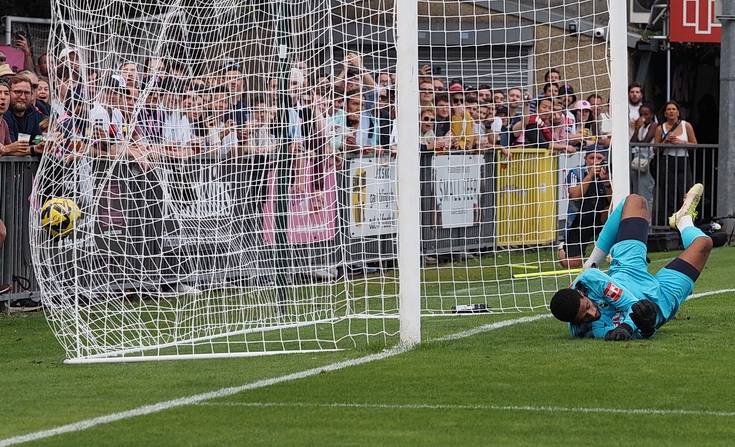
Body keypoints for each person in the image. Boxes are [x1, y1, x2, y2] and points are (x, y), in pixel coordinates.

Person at [550, 184, 712, 341]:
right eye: (584, 318)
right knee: (704, 243)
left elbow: (633, 304)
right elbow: (641, 322)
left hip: (629, 272)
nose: (591, 314)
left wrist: (627, 326)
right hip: (660, 299)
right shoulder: (584, 330)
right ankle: (684, 221)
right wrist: (646, 328)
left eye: (587, 307)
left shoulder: (589, 279)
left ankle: (590, 262)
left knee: (636, 201)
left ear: (581, 294)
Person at [558, 144, 611, 268]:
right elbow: (575, 195)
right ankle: (561, 249)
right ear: (585, 159)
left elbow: (614, 201)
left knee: (613, 210)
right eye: (591, 158)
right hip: (580, 221)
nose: (595, 162)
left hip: (602, 218)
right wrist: (590, 176)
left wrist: (607, 183)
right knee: (572, 264)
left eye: (599, 158)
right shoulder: (575, 172)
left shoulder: (610, 173)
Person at [654, 100, 697, 226]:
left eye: (673, 109)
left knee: (685, 194)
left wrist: (680, 142)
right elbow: (655, 149)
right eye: (668, 110)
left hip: (683, 160)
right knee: (669, 194)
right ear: (665, 113)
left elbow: (695, 144)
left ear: (678, 112)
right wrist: (665, 141)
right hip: (667, 161)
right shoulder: (660, 128)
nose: (671, 111)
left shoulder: (686, 125)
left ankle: (686, 223)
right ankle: (670, 224)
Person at [630, 103, 658, 217]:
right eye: (641, 114)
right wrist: (637, 128)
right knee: (637, 191)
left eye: (646, 114)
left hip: (647, 160)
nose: (643, 117)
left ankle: (648, 221)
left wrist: (638, 142)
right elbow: (633, 141)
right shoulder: (641, 126)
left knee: (645, 192)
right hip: (637, 159)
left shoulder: (654, 125)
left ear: (651, 115)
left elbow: (646, 141)